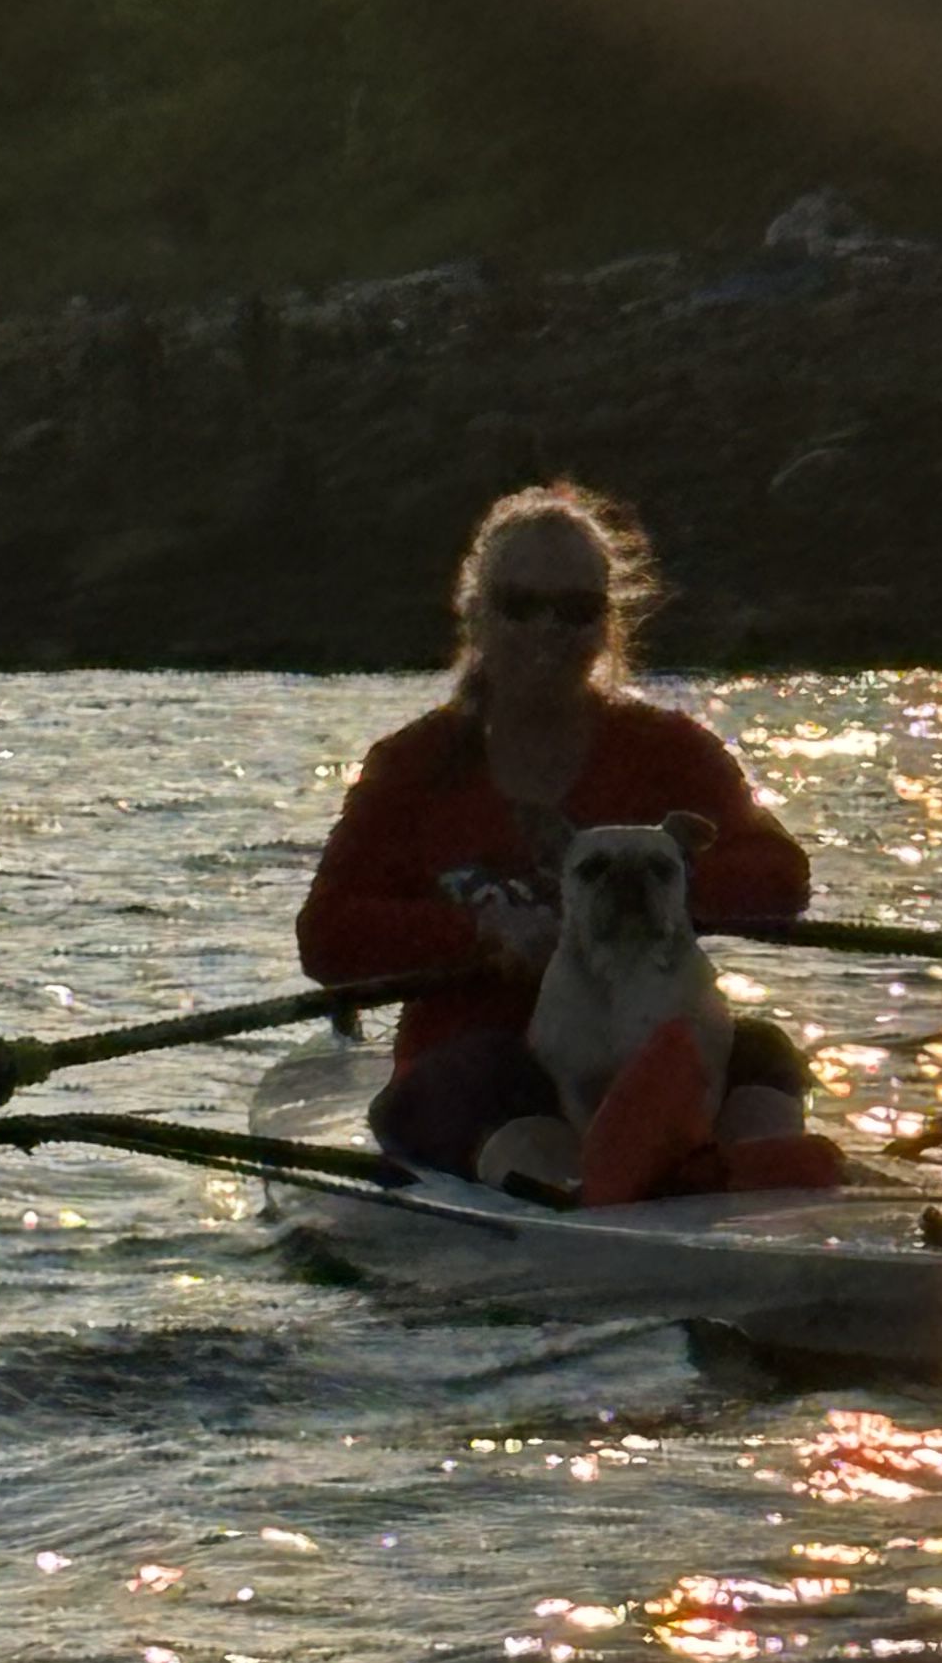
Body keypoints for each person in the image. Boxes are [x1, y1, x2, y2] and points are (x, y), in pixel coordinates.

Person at [297, 482, 841, 1198]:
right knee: (487, 1070)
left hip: (649, 1056)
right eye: (520, 606)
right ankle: (579, 1195)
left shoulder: (669, 751)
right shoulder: (414, 765)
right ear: (476, 616)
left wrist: (649, 895)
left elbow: (779, 877)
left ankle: (765, 1204)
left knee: (762, 1052)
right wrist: (482, 932)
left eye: (577, 610)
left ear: (606, 625)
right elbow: (328, 936)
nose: (548, 630)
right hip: (475, 1063)